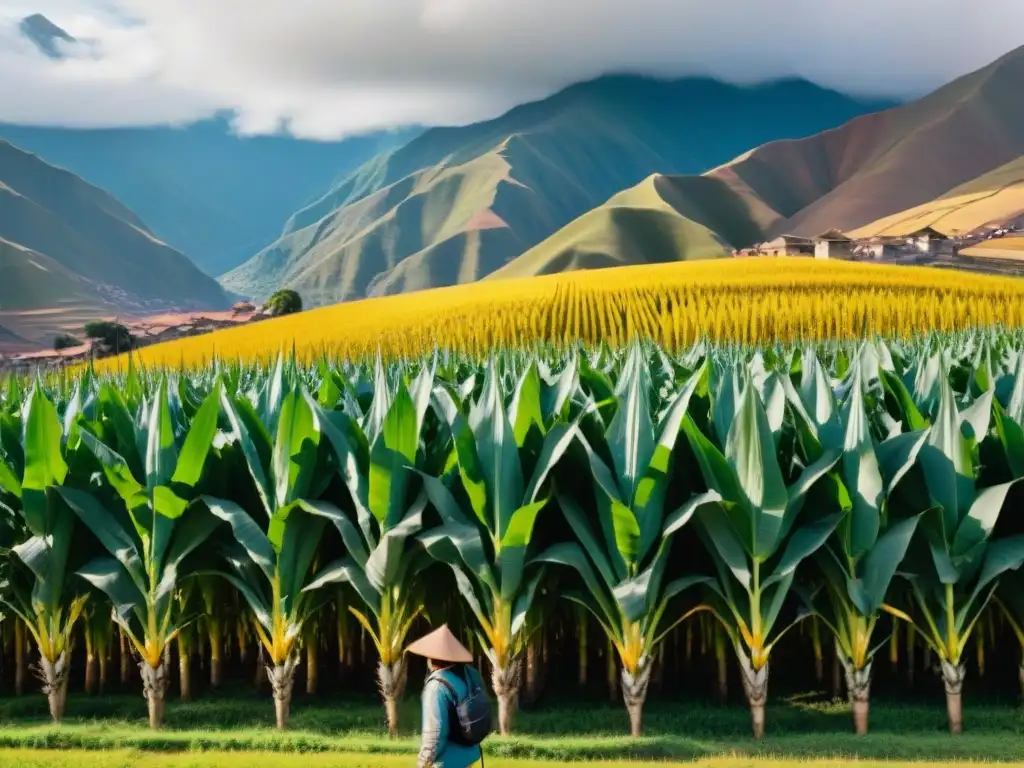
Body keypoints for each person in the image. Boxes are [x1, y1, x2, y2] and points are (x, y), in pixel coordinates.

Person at [406, 625, 485, 768]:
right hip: (470, 754)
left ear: (431, 657)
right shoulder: (471, 674)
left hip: (446, 762)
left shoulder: (436, 686)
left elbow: (435, 734)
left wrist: (423, 763)